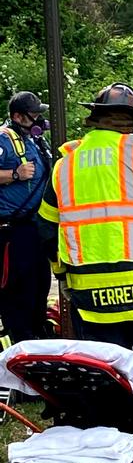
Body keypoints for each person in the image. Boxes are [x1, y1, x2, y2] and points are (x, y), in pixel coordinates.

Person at [38, 82, 133, 361]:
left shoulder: (65, 165)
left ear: (94, 117)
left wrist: (61, 272)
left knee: (107, 377)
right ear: (132, 122)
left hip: (92, 298)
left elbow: (47, 227)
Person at [0, 91, 53, 341]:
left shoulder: (35, 140)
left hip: (35, 228)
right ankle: (18, 347)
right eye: (34, 116)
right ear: (18, 116)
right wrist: (15, 175)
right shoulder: (4, 139)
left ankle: (37, 339)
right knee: (17, 294)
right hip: (13, 230)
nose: (39, 120)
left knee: (39, 287)